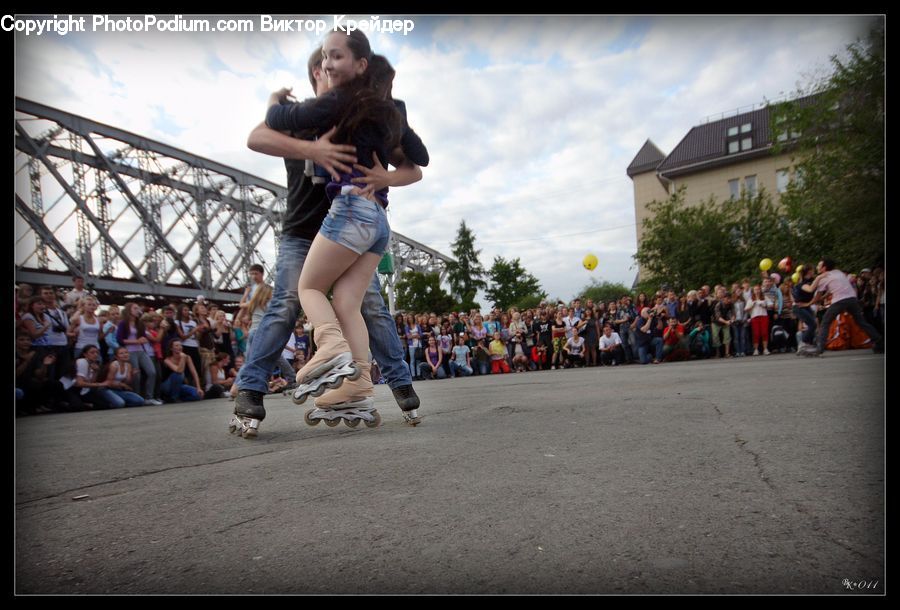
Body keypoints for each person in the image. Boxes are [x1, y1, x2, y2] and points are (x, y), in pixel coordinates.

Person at [232, 36, 426, 437]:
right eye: (321, 65)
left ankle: (383, 378)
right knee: (291, 302)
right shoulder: (310, 118)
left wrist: (386, 176)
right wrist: (312, 150)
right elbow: (256, 137)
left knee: (355, 301)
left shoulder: (353, 108)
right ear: (313, 76)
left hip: (347, 224)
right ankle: (257, 388)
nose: (327, 70)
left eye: (333, 61)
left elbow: (414, 165)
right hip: (311, 230)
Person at [802, 258, 884, 356]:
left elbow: (817, 296)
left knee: (825, 322)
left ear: (824, 268)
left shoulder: (823, 277)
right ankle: (880, 342)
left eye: (819, 265)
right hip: (852, 299)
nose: (817, 267)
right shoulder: (838, 272)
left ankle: (819, 349)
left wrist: (807, 304)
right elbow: (831, 290)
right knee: (861, 322)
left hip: (839, 300)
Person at [117, 303, 162, 405]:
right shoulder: (123, 323)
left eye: (138, 308)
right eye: (135, 308)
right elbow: (120, 340)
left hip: (141, 351)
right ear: (129, 310)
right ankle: (136, 397)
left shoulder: (139, 323)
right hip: (130, 351)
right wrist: (136, 341)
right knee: (136, 375)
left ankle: (149, 397)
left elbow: (143, 337)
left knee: (152, 372)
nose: (137, 310)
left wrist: (142, 339)